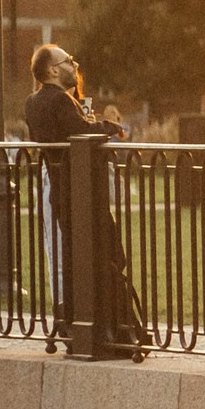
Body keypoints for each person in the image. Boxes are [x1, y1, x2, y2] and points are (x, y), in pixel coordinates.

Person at [23, 44, 145, 347]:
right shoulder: (61, 100)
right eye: (68, 61)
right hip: (84, 196)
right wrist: (109, 126)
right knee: (111, 256)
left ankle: (77, 326)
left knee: (75, 262)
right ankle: (117, 329)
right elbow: (81, 132)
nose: (74, 65)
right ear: (52, 70)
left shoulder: (32, 102)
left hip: (61, 196)